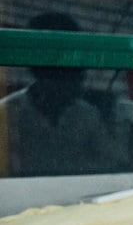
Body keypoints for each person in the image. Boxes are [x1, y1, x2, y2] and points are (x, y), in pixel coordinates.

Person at [0, 12, 125, 176]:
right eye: (69, 72)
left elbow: (114, 164)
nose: (80, 79)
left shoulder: (88, 115)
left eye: (79, 71)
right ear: (39, 70)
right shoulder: (7, 113)